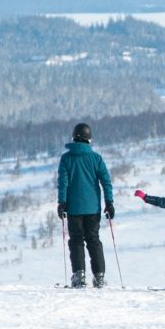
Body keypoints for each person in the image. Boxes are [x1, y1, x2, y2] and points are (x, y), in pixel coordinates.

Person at [56, 121, 114, 288]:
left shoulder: (66, 158)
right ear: (89, 139)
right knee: (94, 240)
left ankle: (79, 275)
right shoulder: (96, 158)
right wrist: (109, 202)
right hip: (93, 208)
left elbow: (63, 182)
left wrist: (62, 202)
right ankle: (99, 276)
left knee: (76, 241)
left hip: (74, 208)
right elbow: (106, 181)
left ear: (74, 137)